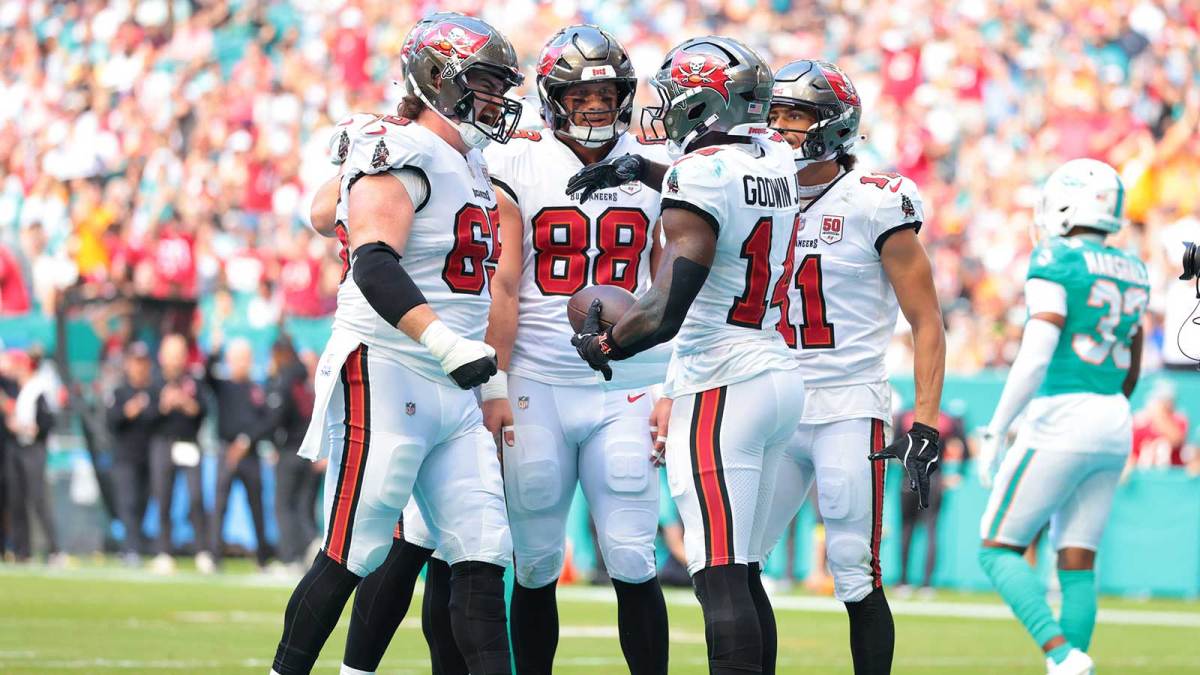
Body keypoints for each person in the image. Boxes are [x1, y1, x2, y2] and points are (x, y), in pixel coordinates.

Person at [270, 14, 522, 675]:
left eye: (501, 87)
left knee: (484, 550)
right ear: (438, 80)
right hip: (389, 368)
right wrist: (445, 343)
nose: (496, 99)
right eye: (485, 84)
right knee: (353, 549)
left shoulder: (470, 161)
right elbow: (372, 262)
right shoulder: (398, 146)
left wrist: (479, 371)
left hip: (454, 383)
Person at [568, 36, 803, 675]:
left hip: (721, 380)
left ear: (704, 104)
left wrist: (607, 342)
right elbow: (725, 189)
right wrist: (639, 171)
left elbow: (664, 310)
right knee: (743, 570)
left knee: (718, 575)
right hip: (774, 370)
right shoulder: (777, 156)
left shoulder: (700, 174)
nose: (666, 110)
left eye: (676, 98)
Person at [740, 60, 946, 673]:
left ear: (833, 124)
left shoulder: (874, 201)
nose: (781, 128)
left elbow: (926, 319)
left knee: (854, 567)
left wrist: (926, 422)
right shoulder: (751, 189)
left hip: (848, 405)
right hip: (772, 400)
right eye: (774, 115)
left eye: (796, 116)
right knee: (738, 563)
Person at [977, 159, 1150, 675]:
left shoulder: (1057, 257)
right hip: (1114, 416)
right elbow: (1133, 362)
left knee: (997, 548)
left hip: (1063, 413)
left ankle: (1061, 654)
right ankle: (1069, 665)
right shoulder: (1134, 268)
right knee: (1077, 562)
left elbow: (1035, 355)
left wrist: (997, 427)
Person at [205, 337, 270, 570]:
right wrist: (214, 350)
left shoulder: (256, 389)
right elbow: (206, 376)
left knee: (257, 506)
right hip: (226, 450)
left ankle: (262, 557)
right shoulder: (223, 386)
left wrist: (246, 441)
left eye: (245, 358)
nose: (241, 363)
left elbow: (265, 421)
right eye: (237, 358)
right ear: (229, 360)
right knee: (219, 504)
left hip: (250, 453)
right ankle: (214, 555)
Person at [150, 333, 210, 574]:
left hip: (189, 443)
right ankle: (164, 551)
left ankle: (202, 550)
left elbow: (204, 410)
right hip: (163, 443)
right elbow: (146, 417)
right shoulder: (154, 381)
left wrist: (187, 405)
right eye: (171, 354)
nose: (175, 359)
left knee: (196, 498)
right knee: (163, 498)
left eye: (178, 354)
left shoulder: (193, 381)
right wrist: (163, 406)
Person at [895, 406, 966, 596]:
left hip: (910, 479)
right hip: (933, 479)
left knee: (910, 529)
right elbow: (965, 448)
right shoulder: (945, 419)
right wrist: (960, 473)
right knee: (929, 529)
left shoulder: (907, 417)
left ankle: (904, 582)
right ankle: (926, 584)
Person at [262, 335, 317, 572]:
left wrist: (268, 441)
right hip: (308, 452)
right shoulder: (305, 382)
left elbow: (275, 419)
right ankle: (309, 548)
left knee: (283, 506)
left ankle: (290, 558)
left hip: (289, 451)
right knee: (302, 506)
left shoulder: (284, 381)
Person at [2, 350, 60, 563]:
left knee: (38, 499)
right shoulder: (19, 389)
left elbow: (47, 420)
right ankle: (22, 551)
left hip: (33, 448)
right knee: (16, 499)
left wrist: (33, 429)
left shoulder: (38, 388)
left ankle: (54, 549)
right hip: (17, 448)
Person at [105, 342, 158, 565]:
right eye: (136, 362)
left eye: (143, 362)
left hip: (148, 457)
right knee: (128, 503)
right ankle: (131, 548)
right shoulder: (120, 392)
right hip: (125, 457)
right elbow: (110, 421)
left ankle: (134, 545)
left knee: (142, 503)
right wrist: (127, 412)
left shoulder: (153, 392)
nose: (139, 367)